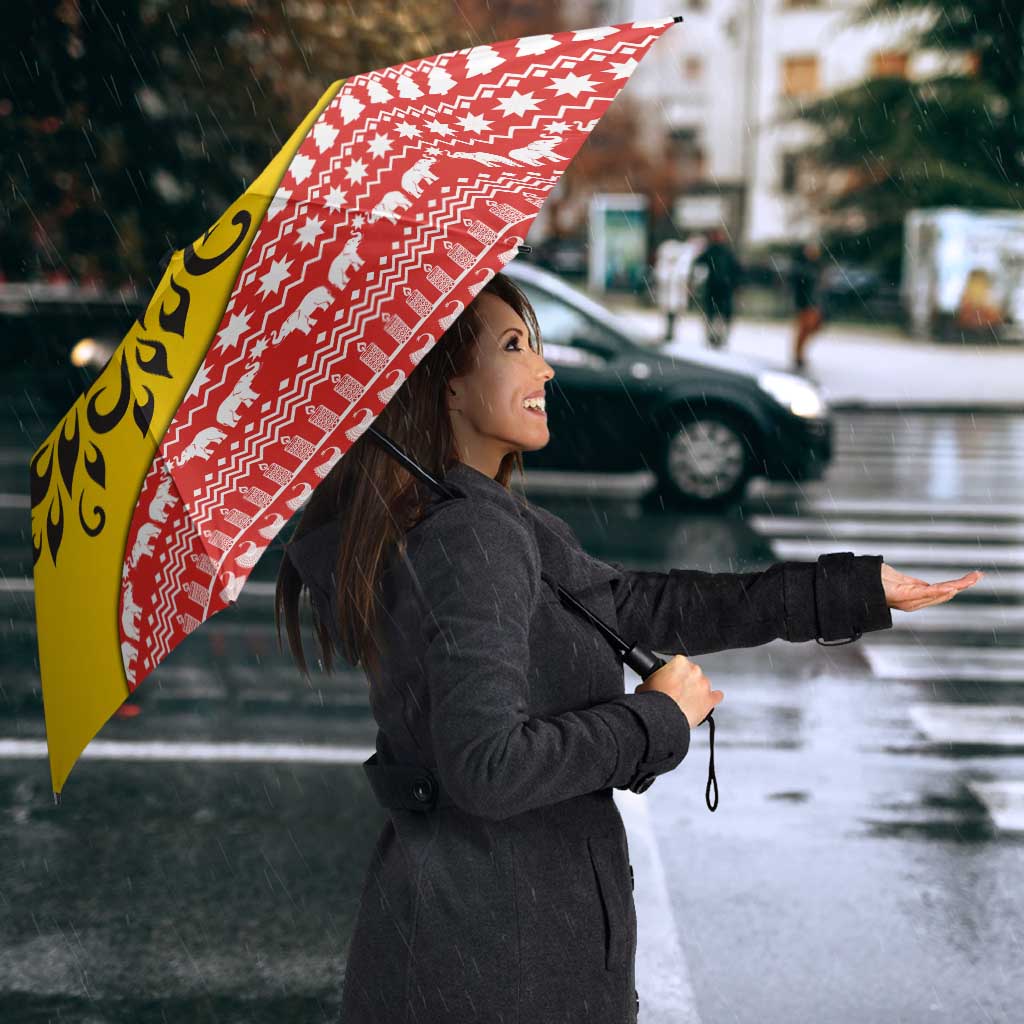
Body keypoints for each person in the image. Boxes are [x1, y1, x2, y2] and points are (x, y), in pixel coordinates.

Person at [275, 270, 970, 1024]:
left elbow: (636, 604)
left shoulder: (471, 517)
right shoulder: (469, 536)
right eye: (514, 346)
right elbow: (488, 767)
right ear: (445, 385)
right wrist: (657, 719)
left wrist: (849, 592)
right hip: (502, 962)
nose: (543, 368)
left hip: (474, 942)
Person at [692, 226, 742, 349]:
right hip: (715, 288)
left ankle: (719, 337)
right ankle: (713, 337)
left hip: (723, 288)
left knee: (720, 315)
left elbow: (736, 270)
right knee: (713, 314)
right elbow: (698, 264)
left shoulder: (725, 252)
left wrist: (735, 284)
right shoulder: (712, 251)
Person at [790, 239, 826, 371]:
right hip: (805, 303)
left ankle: (800, 354)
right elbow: (799, 286)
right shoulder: (802, 267)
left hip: (814, 303)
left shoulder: (817, 266)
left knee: (812, 328)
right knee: (804, 329)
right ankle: (798, 355)